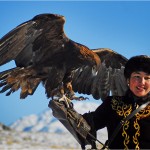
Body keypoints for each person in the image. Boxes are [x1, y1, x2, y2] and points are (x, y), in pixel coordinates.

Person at [82, 55, 150, 149]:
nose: (142, 82)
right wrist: (68, 113)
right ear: (128, 80)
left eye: (147, 78)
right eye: (137, 76)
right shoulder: (112, 104)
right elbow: (87, 125)